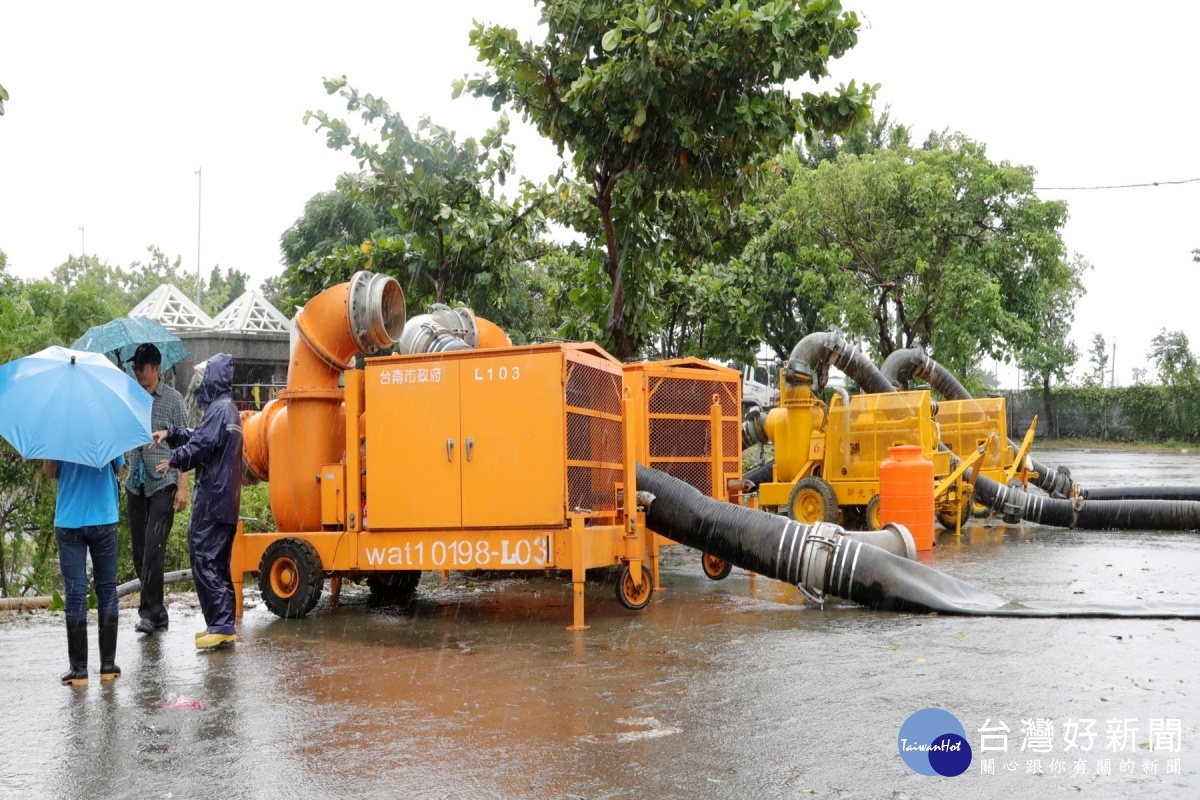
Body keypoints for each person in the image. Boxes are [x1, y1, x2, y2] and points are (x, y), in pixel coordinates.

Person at [153, 353, 243, 650]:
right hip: (225, 500)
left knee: (204, 557)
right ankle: (222, 624)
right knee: (217, 562)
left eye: (205, 376)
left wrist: (175, 459)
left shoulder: (219, 409)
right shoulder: (227, 409)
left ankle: (220, 623)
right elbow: (200, 436)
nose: (201, 382)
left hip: (212, 500)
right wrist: (173, 435)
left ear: (214, 378)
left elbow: (201, 445)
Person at [125, 343, 189, 636]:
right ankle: (159, 613)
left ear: (156, 368)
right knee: (140, 552)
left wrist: (182, 487)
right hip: (136, 483)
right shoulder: (130, 397)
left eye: (142, 367)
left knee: (153, 548)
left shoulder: (174, 401)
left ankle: (148, 613)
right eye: (135, 367)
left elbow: (186, 445)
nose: (137, 373)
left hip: (165, 481)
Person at [45, 453, 124, 685]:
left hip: (70, 519)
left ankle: (79, 671)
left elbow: (50, 472)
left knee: (75, 591)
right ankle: (108, 666)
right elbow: (118, 468)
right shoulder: (107, 423)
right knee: (107, 589)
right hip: (104, 516)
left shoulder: (58, 431)